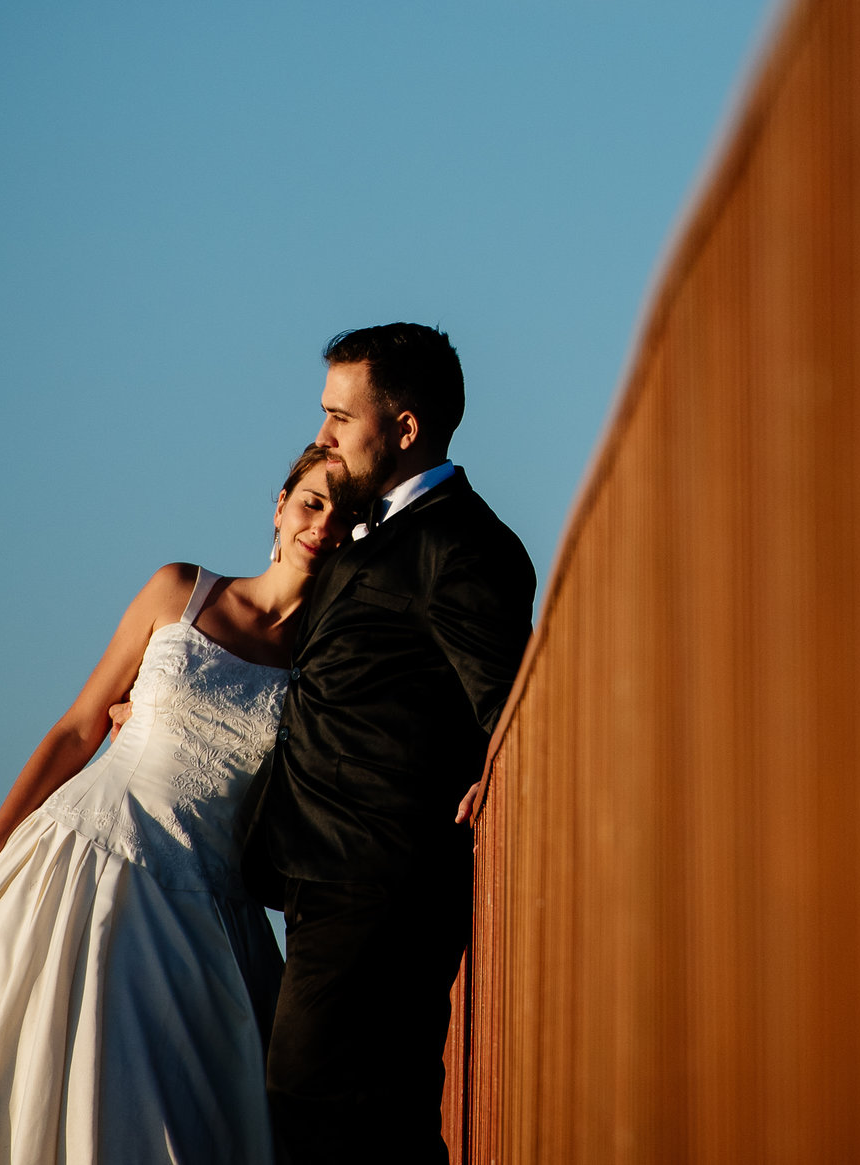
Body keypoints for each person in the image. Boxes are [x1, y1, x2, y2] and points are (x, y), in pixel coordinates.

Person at [0, 445, 352, 1165]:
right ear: (279, 503)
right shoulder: (182, 590)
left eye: (344, 513)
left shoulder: (327, 667)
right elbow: (79, 728)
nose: (323, 524)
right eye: (312, 501)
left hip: (208, 908)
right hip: (87, 857)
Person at [242, 323, 536, 1164]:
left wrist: (496, 770)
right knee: (353, 1121)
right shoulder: (360, 533)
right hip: (320, 879)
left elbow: (509, 700)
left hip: (380, 885)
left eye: (342, 415)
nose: (324, 435)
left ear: (405, 429)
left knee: (325, 1112)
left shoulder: (464, 543)